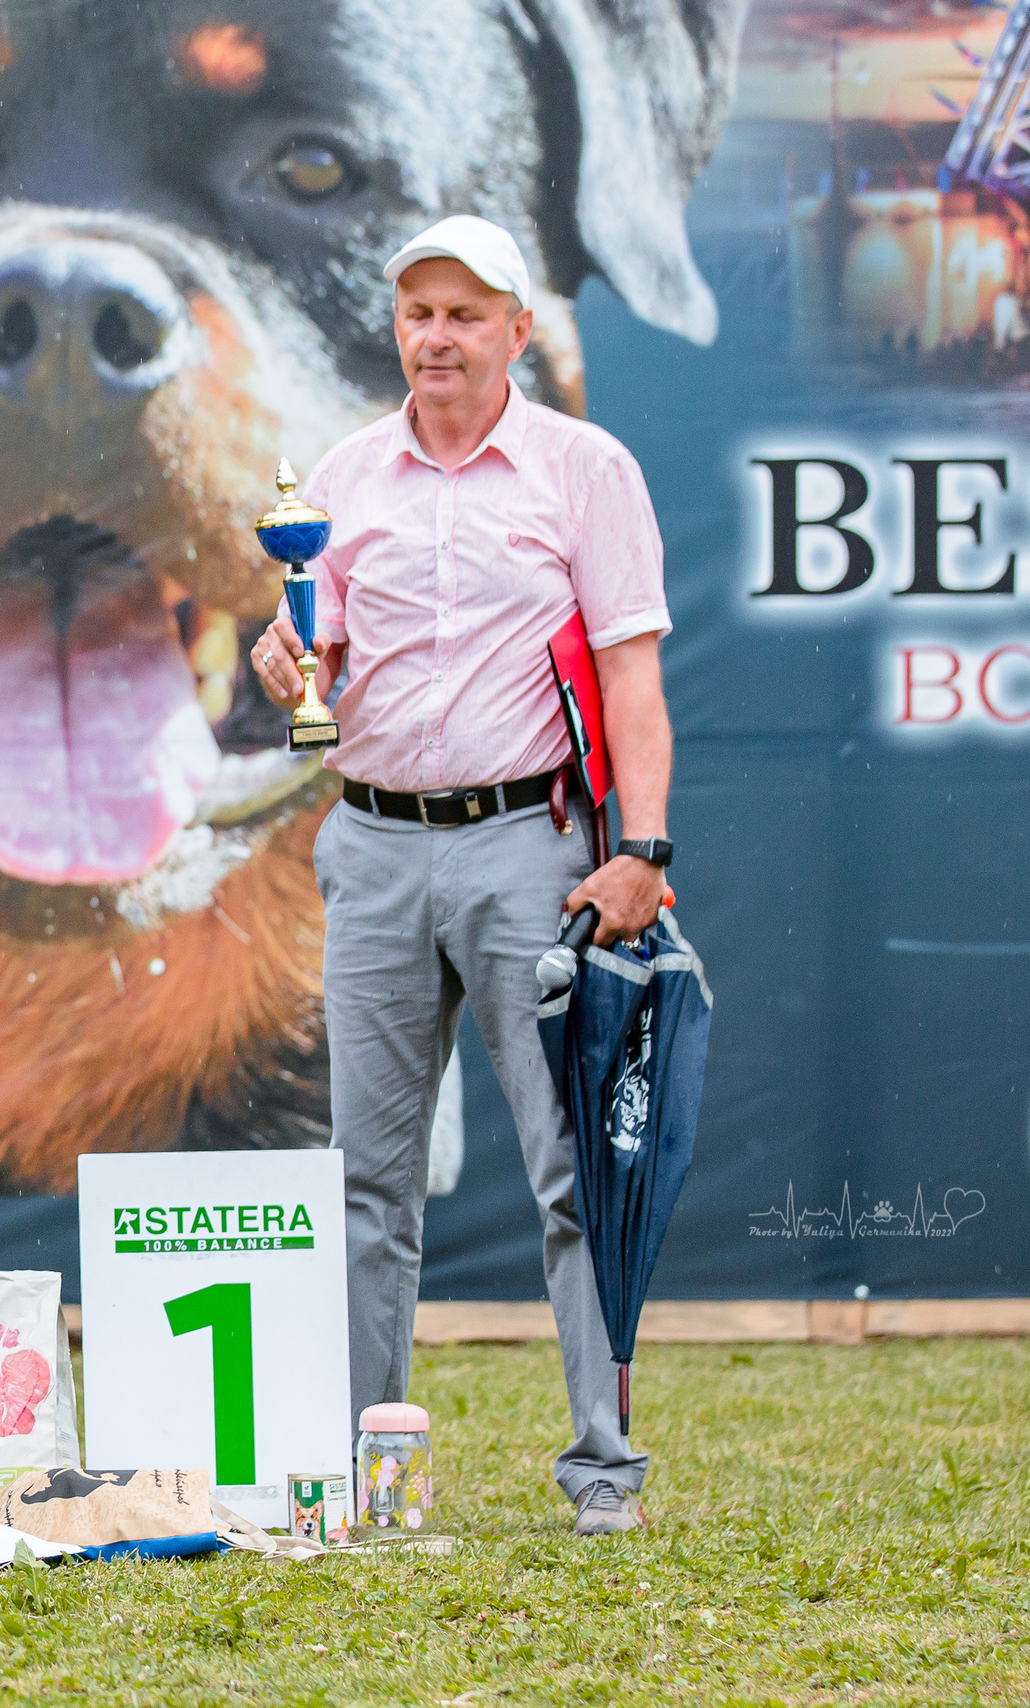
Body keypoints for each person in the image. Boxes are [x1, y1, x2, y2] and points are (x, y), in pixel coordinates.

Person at [247, 216, 675, 1538]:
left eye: (468, 314)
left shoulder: (584, 468)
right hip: (369, 840)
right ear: (399, 326)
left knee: (569, 1174)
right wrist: (287, 660)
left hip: (529, 850)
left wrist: (641, 852)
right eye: (420, 312)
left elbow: (632, 683)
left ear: (518, 333)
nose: (439, 335)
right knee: (365, 1181)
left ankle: (602, 1472)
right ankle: (362, 1485)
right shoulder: (342, 475)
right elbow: (328, 654)